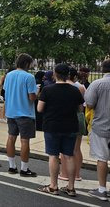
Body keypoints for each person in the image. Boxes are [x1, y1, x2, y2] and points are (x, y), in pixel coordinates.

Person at [37, 64, 83, 196]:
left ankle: (53, 185)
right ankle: (71, 187)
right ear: (68, 75)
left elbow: (39, 109)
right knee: (69, 156)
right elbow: (80, 109)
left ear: (54, 74)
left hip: (52, 126)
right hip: (70, 126)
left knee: (53, 156)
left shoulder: (47, 90)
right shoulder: (75, 90)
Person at [4, 53, 38, 177]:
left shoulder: (9, 75)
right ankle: (24, 168)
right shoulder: (29, 77)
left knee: (11, 138)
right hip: (25, 113)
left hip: (11, 112)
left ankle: (12, 166)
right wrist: (37, 92)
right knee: (24, 141)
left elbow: (6, 91)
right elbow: (31, 97)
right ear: (27, 63)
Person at [85, 59, 110, 201]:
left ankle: (102, 190)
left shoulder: (97, 84)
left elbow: (89, 103)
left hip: (101, 126)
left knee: (102, 158)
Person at [59, 67, 87, 182]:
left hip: (65, 118)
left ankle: (64, 173)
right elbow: (83, 105)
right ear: (75, 76)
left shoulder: (61, 86)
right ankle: (77, 174)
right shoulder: (80, 87)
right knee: (77, 149)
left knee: (64, 149)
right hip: (79, 117)